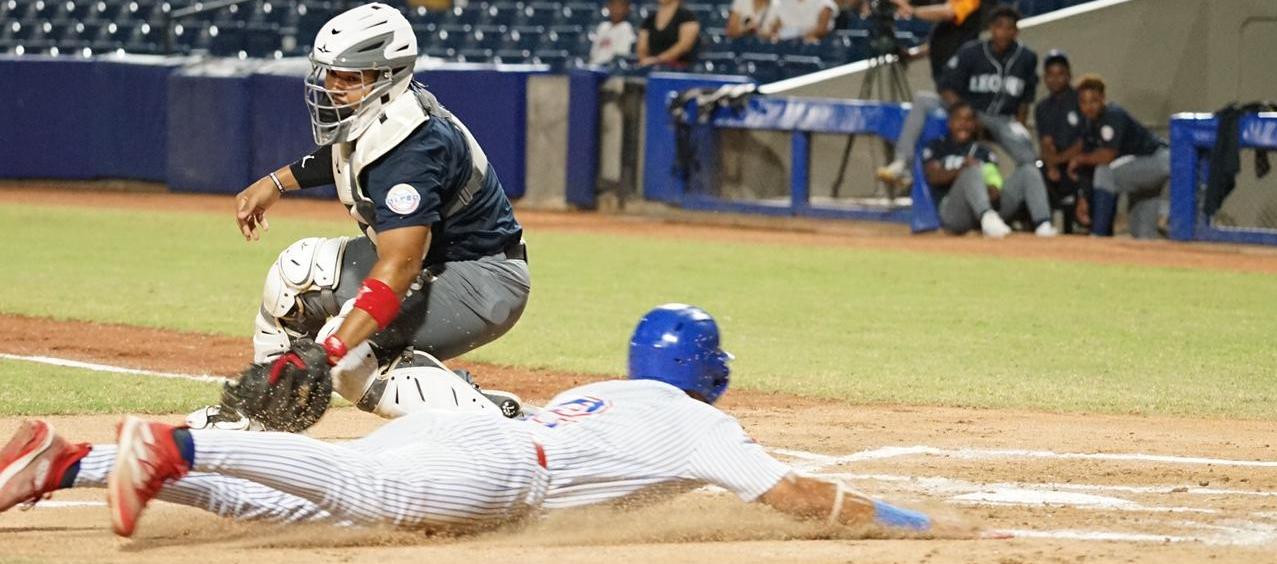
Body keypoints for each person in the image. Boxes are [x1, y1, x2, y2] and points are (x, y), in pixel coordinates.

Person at [0, 305, 964, 540]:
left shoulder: (619, 392)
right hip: (502, 472)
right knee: (351, 489)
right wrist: (909, 524)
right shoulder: (692, 421)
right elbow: (790, 494)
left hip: (476, 439)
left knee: (310, 510)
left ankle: (67, 463)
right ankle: (176, 442)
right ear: (709, 376)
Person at [186, 3, 530, 430]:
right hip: (439, 264)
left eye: (349, 77)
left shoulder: (413, 150)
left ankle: (505, 427)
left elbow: (400, 264)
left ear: (386, 79)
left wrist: (326, 350)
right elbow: (343, 152)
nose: (333, 87)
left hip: (481, 279)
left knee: (349, 361)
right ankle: (260, 419)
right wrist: (275, 183)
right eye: (330, 74)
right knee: (296, 274)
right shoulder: (384, 114)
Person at [1068, 75, 1170, 239]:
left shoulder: (1113, 115)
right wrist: (1083, 197)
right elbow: (1088, 167)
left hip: (1159, 160)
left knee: (1104, 172)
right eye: (1083, 102)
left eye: (1093, 100)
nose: (1089, 107)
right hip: (1141, 171)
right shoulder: (1089, 125)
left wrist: (1079, 159)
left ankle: (1098, 235)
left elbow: (1107, 156)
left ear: (1103, 98)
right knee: (1142, 235)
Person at [924, 101, 1045, 238]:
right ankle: (988, 218)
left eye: (969, 120)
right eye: (959, 119)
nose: (964, 124)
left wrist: (990, 189)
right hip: (955, 213)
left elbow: (994, 182)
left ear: (975, 124)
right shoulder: (937, 146)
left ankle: (1043, 224)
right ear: (950, 122)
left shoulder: (983, 151)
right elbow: (933, 177)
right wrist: (961, 170)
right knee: (971, 170)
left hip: (985, 205)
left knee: (1028, 170)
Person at [1033, 49, 1086, 233]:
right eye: (1050, 75)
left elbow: (1083, 142)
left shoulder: (1081, 100)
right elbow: (1046, 141)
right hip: (1057, 162)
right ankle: (1042, 224)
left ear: (1069, 75)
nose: (1055, 80)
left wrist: (1060, 160)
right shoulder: (1043, 107)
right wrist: (1052, 165)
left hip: (1079, 161)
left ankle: (1082, 222)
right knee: (1036, 171)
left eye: (1060, 74)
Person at [637, 0, 700, 68]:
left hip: (680, 70)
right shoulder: (649, 21)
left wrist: (658, 60)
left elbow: (684, 46)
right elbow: (642, 49)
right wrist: (645, 61)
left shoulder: (688, 17)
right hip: (652, 68)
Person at [761, 0, 837, 42]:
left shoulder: (825, 3)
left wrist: (799, 36)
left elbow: (821, 29)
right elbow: (776, 26)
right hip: (786, 47)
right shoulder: (783, 2)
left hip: (815, 49)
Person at [589, 0, 637, 65]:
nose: (616, 9)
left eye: (620, 6)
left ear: (627, 9)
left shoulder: (626, 27)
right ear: (608, 7)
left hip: (611, 70)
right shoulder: (602, 26)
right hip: (594, 67)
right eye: (613, 5)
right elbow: (593, 54)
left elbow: (621, 56)